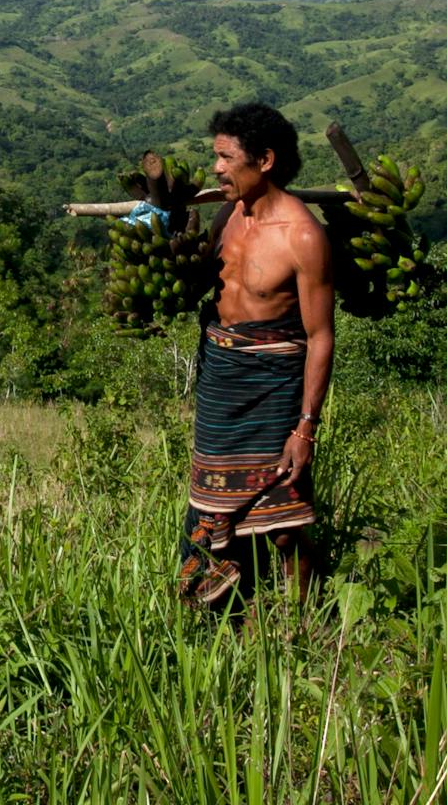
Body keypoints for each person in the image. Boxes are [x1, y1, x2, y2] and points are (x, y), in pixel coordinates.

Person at [177, 103, 334, 605]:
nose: (216, 167)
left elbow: (321, 336)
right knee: (214, 505)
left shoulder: (303, 236)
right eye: (215, 156)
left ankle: (303, 615)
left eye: (226, 157)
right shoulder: (228, 214)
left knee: (283, 520)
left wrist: (305, 427)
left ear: (264, 161)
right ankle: (224, 604)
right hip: (222, 378)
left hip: (274, 385)